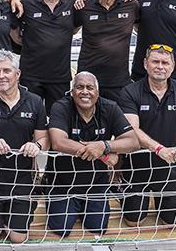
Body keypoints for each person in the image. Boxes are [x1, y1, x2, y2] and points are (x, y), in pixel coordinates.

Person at [118, 44, 176, 226]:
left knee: (171, 222)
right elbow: (132, 130)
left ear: (172, 67)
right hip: (138, 166)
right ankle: (122, 191)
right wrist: (158, 149)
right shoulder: (130, 92)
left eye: (165, 63)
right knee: (133, 221)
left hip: (170, 166)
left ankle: (175, 199)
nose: (160, 66)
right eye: (155, 62)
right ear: (145, 64)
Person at [47, 72, 139, 237]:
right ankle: (62, 202)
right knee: (61, 229)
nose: (85, 92)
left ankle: (85, 208)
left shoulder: (110, 107)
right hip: (64, 183)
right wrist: (102, 154)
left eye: (90, 87)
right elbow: (58, 142)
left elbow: (132, 141)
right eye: (79, 87)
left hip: (96, 184)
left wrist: (105, 145)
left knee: (98, 228)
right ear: (72, 91)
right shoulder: (60, 107)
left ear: (97, 91)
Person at [0, 50, 49, 243]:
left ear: (18, 73)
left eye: (6, 70)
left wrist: (36, 146)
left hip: (20, 181)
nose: (1, 76)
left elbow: (44, 138)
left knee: (18, 238)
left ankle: (10, 218)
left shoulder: (35, 101)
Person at [74, 0, 139, 102]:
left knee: (120, 122)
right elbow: (72, 31)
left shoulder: (131, 4)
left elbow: (141, 29)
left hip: (119, 81)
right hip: (88, 81)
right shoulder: (84, 6)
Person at [18, 0, 77, 114]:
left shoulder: (71, 4)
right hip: (31, 76)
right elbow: (14, 30)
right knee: (29, 117)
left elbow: (75, 28)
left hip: (60, 77)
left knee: (58, 119)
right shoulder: (27, 2)